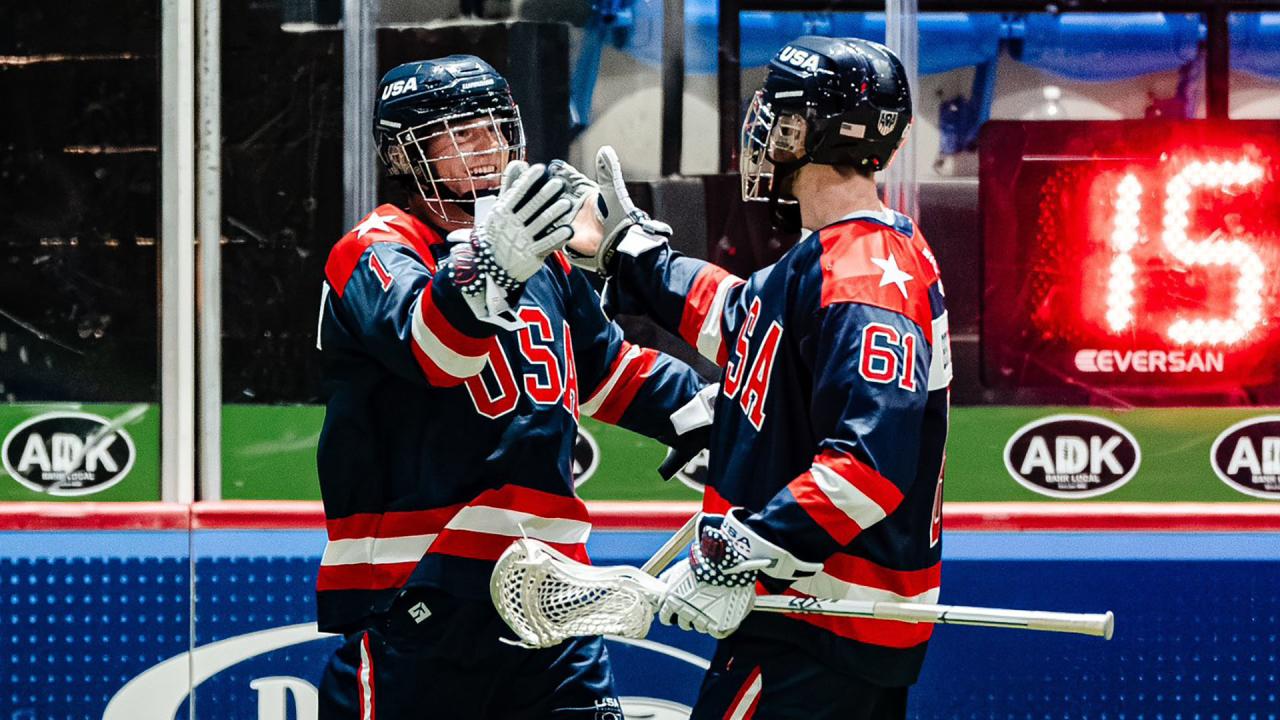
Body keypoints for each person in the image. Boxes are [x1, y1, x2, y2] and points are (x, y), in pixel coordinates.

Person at [561, 36, 952, 719]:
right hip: (813, 623)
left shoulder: (864, 280)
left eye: (783, 114)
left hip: (820, 624)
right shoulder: (837, 255)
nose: (765, 129)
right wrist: (631, 252)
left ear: (824, 132)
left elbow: (869, 466)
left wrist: (738, 548)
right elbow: (744, 320)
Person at [313, 55, 707, 720]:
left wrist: (707, 413)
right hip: (421, 588)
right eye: (459, 135)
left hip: (553, 590)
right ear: (407, 156)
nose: (486, 149)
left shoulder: (545, 260)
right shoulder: (375, 248)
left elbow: (606, 369)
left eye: (493, 129)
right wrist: (495, 265)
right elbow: (431, 347)